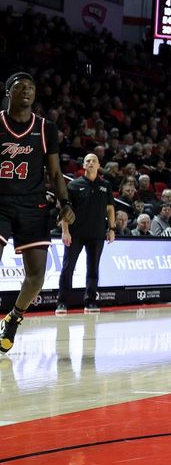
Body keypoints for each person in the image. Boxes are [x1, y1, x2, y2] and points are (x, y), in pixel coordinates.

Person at [0, 72, 74, 353]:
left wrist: (65, 203)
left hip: (33, 205)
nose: (27, 91)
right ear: (9, 92)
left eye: (31, 88)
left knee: (37, 276)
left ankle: (13, 319)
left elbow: (54, 173)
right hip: (1, 202)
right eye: (20, 87)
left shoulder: (46, 128)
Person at [56, 152, 114, 313]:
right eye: (87, 160)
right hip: (75, 233)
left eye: (93, 161)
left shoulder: (106, 185)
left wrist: (112, 228)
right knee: (68, 267)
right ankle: (62, 302)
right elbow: (65, 211)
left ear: (98, 165)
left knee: (93, 268)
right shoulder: (73, 185)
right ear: (83, 165)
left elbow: (110, 209)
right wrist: (65, 231)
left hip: (97, 233)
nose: (90, 163)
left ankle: (90, 301)